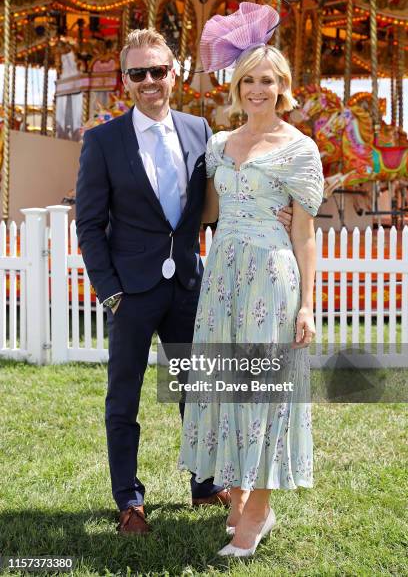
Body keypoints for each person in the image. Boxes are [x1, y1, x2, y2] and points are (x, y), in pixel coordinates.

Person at [75, 27, 293, 535]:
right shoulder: (102, 142)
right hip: (129, 293)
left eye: (158, 70)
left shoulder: (201, 133)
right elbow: (89, 224)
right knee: (123, 396)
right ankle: (128, 500)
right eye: (138, 73)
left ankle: (204, 483)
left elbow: (223, 203)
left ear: (176, 72)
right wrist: (109, 291)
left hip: (190, 290)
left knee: (198, 391)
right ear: (125, 80)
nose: (149, 81)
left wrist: (273, 216)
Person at [178, 3, 324, 557]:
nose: (257, 89)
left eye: (267, 80)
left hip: (272, 279)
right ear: (235, 86)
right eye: (248, 81)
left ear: (282, 87)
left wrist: (309, 306)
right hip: (221, 279)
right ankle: (237, 499)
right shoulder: (218, 144)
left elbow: (306, 236)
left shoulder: (299, 148)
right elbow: (207, 213)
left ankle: (258, 510)